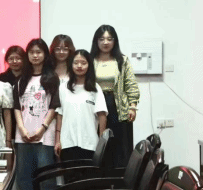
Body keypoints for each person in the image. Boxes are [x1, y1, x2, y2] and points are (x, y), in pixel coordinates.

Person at [12, 39, 60, 190]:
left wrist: (43, 128)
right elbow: (17, 107)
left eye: (39, 52)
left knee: (45, 174)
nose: (35, 55)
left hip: (44, 136)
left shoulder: (52, 78)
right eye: (32, 52)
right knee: (24, 173)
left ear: (45, 55)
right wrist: (22, 128)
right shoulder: (21, 80)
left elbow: (54, 106)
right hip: (23, 135)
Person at [91, 25, 140, 167]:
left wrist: (132, 107)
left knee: (120, 147)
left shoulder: (122, 60)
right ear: (96, 41)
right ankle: (101, 177)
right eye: (101, 39)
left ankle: (121, 178)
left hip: (117, 106)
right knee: (101, 144)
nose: (105, 42)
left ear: (115, 41)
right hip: (96, 107)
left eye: (109, 39)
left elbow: (131, 84)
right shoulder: (90, 60)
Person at [55, 50, 108, 162]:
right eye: (76, 63)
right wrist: (57, 140)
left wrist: (101, 143)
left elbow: (102, 115)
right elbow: (59, 115)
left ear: (89, 66)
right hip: (67, 143)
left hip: (90, 144)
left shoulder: (95, 88)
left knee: (87, 174)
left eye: (83, 63)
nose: (79, 66)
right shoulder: (63, 88)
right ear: (71, 65)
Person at [0, 45, 27, 190]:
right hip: (5, 130)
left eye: (18, 58)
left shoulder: (30, 77)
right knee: (5, 169)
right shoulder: (2, 79)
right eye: (11, 58)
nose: (15, 61)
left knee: (21, 170)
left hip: (27, 130)